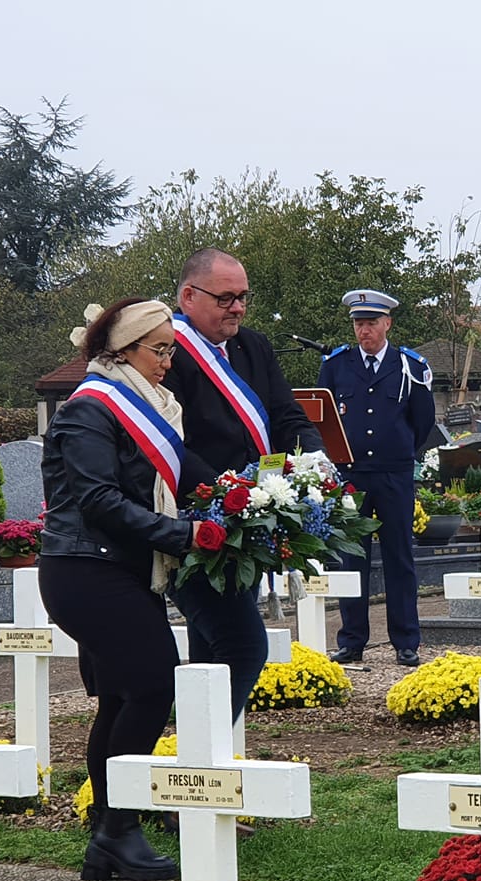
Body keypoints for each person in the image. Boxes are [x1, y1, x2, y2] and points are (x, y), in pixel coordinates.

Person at [40, 297, 224, 881]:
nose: (169, 361)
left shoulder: (151, 406)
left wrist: (258, 492)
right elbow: (97, 501)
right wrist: (183, 534)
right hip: (85, 569)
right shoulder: (88, 411)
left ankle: (107, 836)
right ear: (122, 351)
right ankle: (119, 830)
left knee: (122, 697)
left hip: (119, 569)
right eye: (160, 349)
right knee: (152, 682)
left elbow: (190, 472)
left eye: (171, 348)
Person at [162, 248, 324, 723]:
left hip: (249, 517)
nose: (237, 308)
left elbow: (286, 414)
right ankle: (197, 750)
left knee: (213, 644)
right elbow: (170, 441)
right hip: (197, 515)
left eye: (243, 298)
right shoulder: (169, 352)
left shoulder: (253, 346)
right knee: (242, 644)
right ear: (189, 296)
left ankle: (203, 763)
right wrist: (223, 491)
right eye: (226, 298)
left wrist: (314, 461)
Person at [318, 289, 434, 667]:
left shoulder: (409, 366)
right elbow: (324, 419)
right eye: (358, 323)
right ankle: (352, 640)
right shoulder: (336, 365)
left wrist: (398, 453)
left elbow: (423, 422)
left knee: (400, 557)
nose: (363, 330)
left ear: (387, 323)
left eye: (370, 323)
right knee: (352, 559)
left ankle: (405, 640)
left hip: (393, 474)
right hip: (351, 475)